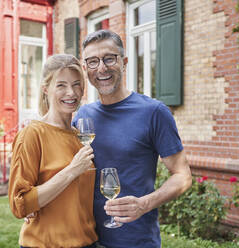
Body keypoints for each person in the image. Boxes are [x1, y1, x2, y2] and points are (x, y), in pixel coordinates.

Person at [73, 30, 192, 248]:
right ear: (85, 69)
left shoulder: (154, 112)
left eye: (109, 58)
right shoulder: (83, 117)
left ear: (124, 62)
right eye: (92, 62)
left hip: (136, 241)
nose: (101, 68)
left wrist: (145, 204)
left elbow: (183, 176)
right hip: (86, 238)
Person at [8, 54, 98, 248]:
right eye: (61, 85)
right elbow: (19, 204)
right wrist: (72, 170)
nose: (71, 92)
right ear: (45, 89)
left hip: (87, 242)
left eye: (76, 84)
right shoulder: (32, 134)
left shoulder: (80, 136)